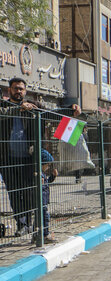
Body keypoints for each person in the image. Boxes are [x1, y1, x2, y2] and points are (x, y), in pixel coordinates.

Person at [0, 77, 80, 237]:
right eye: (15, 88)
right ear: (9, 90)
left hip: (30, 158)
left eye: (21, 89)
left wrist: (71, 109)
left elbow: (53, 113)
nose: (18, 91)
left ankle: (29, 222)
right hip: (8, 159)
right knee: (14, 193)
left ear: (25, 91)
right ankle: (21, 225)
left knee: (30, 192)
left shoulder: (34, 106)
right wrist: (19, 108)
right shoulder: (3, 106)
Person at [38, 149, 57, 243]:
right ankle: (45, 235)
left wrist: (53, 177)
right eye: (47, 165)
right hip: (40, 200)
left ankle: (36, 235)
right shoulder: (38, 174)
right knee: (45, 217)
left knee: (40, 218)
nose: (48, 167)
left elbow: (47, 183)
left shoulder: (43, 174)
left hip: (44, 199)